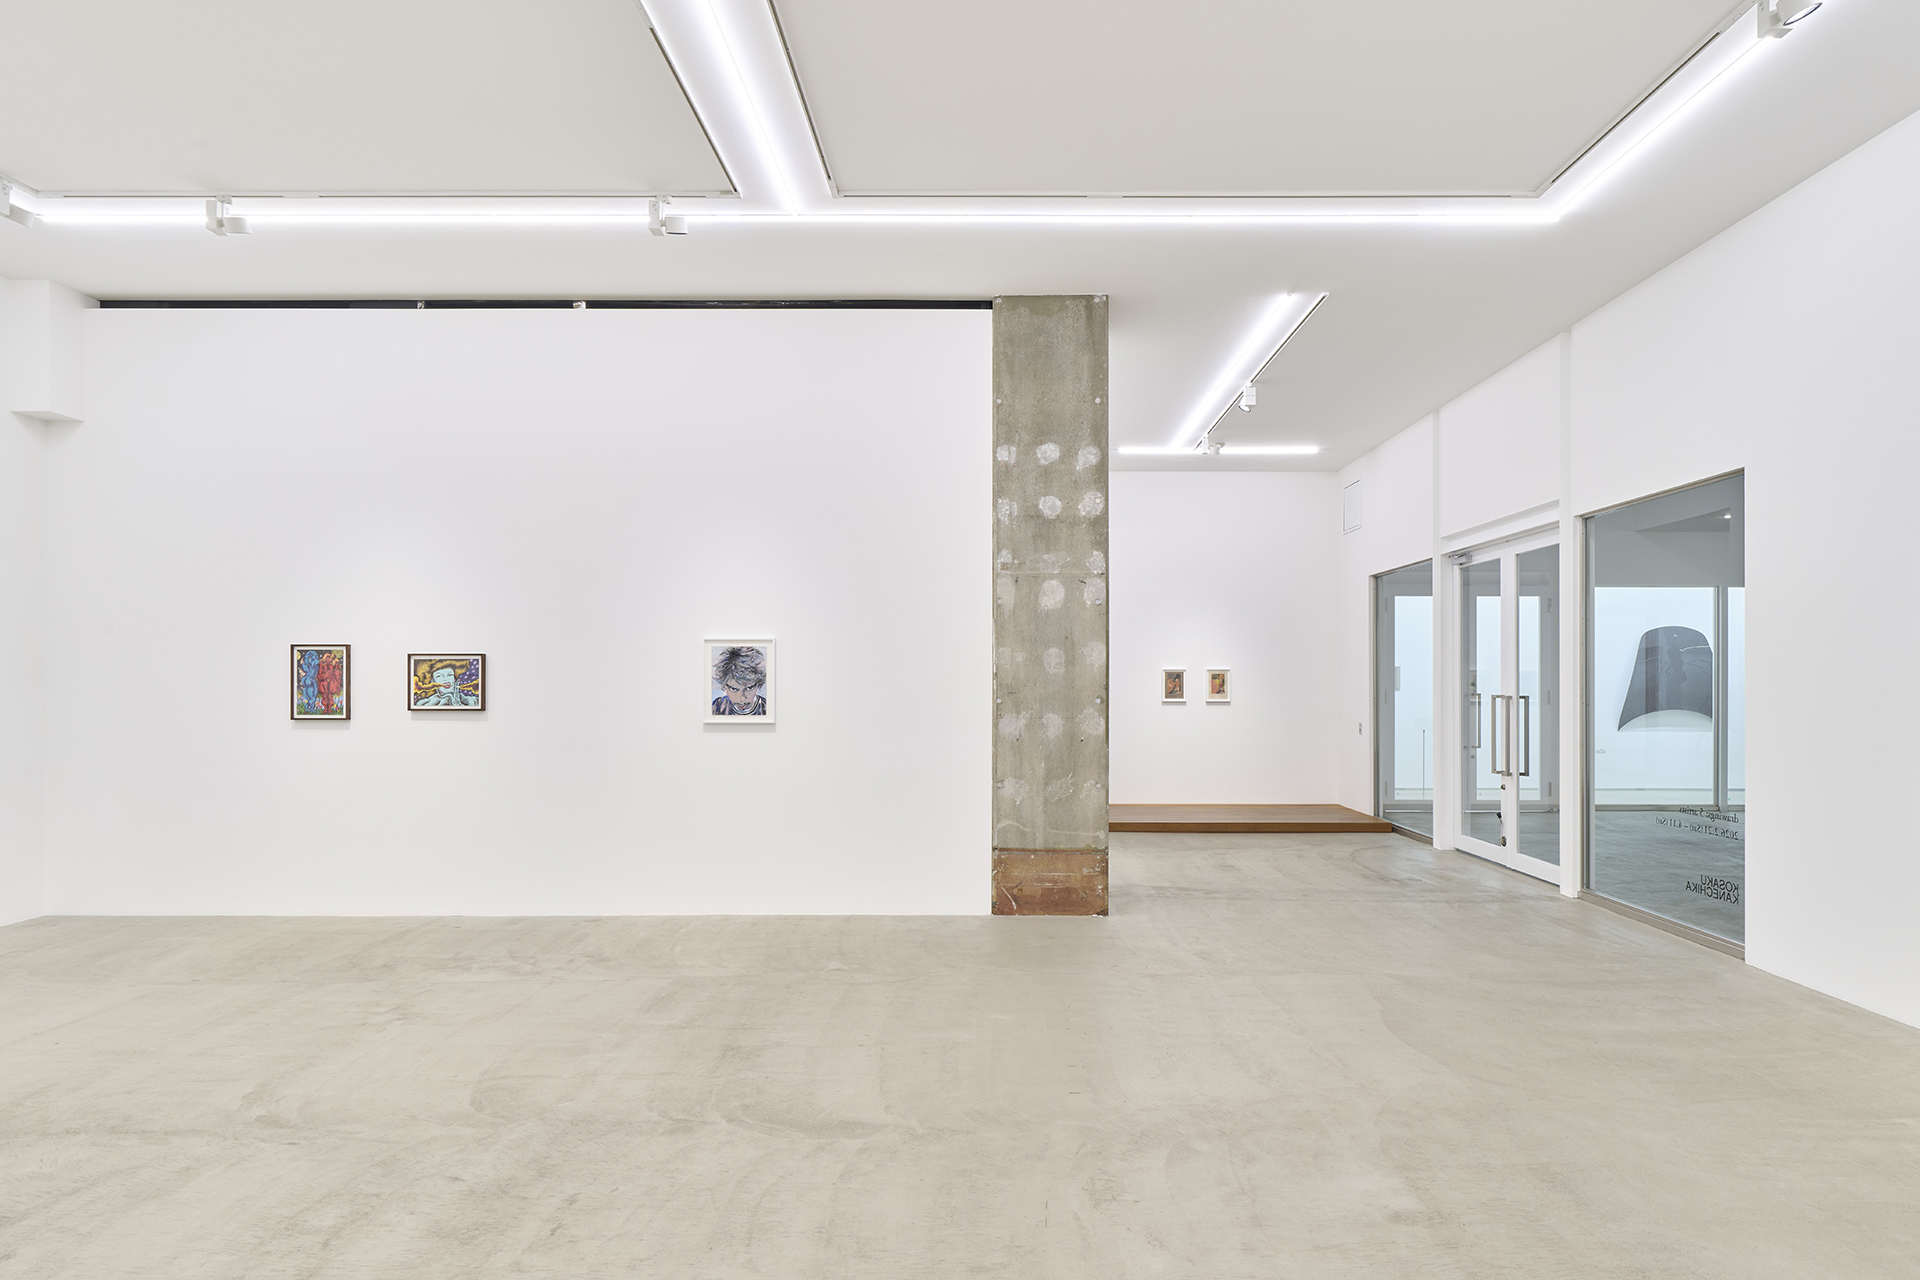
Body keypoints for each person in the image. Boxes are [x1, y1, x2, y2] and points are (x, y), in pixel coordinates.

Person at [711, 646, 768, 716]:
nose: (741, 700)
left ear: (758, 684)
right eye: (733, 689)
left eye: (749, 688)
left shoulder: (767, 709)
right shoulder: (718, 706)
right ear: (724, 685)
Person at [415, 659, 479, 707]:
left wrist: (457, 704)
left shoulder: (472, 702)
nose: (446, 679)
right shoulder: (425, 704)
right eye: (439, 676)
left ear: (455, 679)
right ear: (432, 681)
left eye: (449, 675)